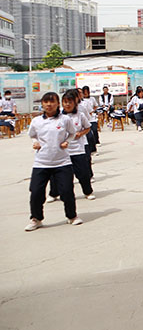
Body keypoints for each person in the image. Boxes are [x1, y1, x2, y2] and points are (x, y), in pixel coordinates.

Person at [25, 92, 83, 231]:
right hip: (41, 162)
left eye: (52, 102)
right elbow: (32, 134)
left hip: (62, 162)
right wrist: (35, 142)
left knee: (67, 190)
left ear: (58, 104)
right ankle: (36, 219)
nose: (49, 104)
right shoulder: (37, 121)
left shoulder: (64, 119)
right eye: (46, 102)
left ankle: (72, 216)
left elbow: (72, 133)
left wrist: (66, 142)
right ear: (42, 104)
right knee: (36, 191)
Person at [48, 91, 95, 203]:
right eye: (65, 102)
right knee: (56, 174)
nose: (67, 104)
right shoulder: (58, 115)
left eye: (70, 102)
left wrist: (81, 134)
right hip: (62, 151)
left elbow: (88, 127)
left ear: (74, 103)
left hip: (77, 149)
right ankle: (54, 193)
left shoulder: (80, 115)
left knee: (83, 173)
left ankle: (88, 191)